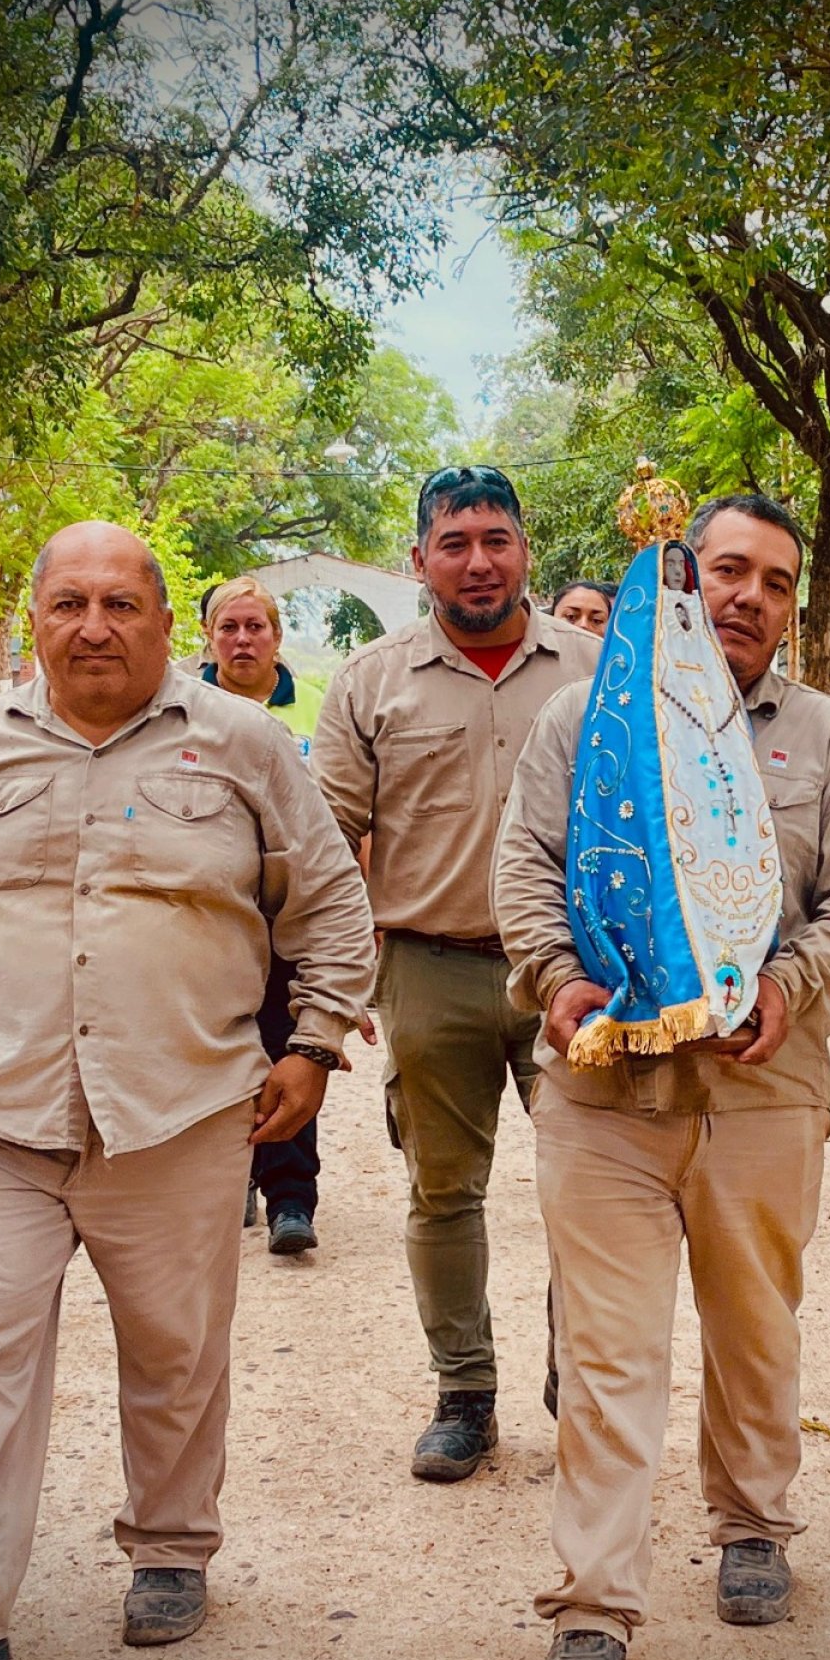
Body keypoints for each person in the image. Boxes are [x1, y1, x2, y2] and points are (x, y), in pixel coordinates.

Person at [0, 520, 374, 1660]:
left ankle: (170, 1547)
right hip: (4, 1114)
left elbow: (330, 908)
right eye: (68, 605)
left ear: (161, 619)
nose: (93, 627)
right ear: (34, 618)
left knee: (174, 1351)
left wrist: (312, 1044)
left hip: (182, 1112)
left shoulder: (241, 743)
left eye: (120, 605)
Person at [495, 492, 830, 1660]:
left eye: (776, 583)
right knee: (611, 1352)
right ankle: (594, 1607)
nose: (750, 599)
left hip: (763, 1093)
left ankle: (754, 1523)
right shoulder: (585, 716)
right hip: (605, 1096)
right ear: (681, 576)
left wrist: (790, 983)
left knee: (754, 1320)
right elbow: (525, 866)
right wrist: (560, 983)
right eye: (730, 572)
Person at [312, 466, 601, 1481]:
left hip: (577, 975)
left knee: (591, 1191)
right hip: (427, 967)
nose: (478, 561)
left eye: (496, 539)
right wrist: (342, 983)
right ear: (420, 558)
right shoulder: (371, 681)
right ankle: (464, 1392)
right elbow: (329, 841)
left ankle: (586, 1377)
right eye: (455, 542)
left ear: (527, 549)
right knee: (442, 1192)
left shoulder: (597, 668)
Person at [190, 575, 329, 1254]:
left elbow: (346, 817)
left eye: (256, 627)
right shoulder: (180, 712)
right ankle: (228, 1177)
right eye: (229, 628)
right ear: (208, 638)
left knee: (290, 1047)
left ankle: (290, 1198)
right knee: (208, 1051)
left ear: (276, 636)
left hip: (289, 918)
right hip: (207, 917)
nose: (242, 640)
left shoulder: (316, 711)